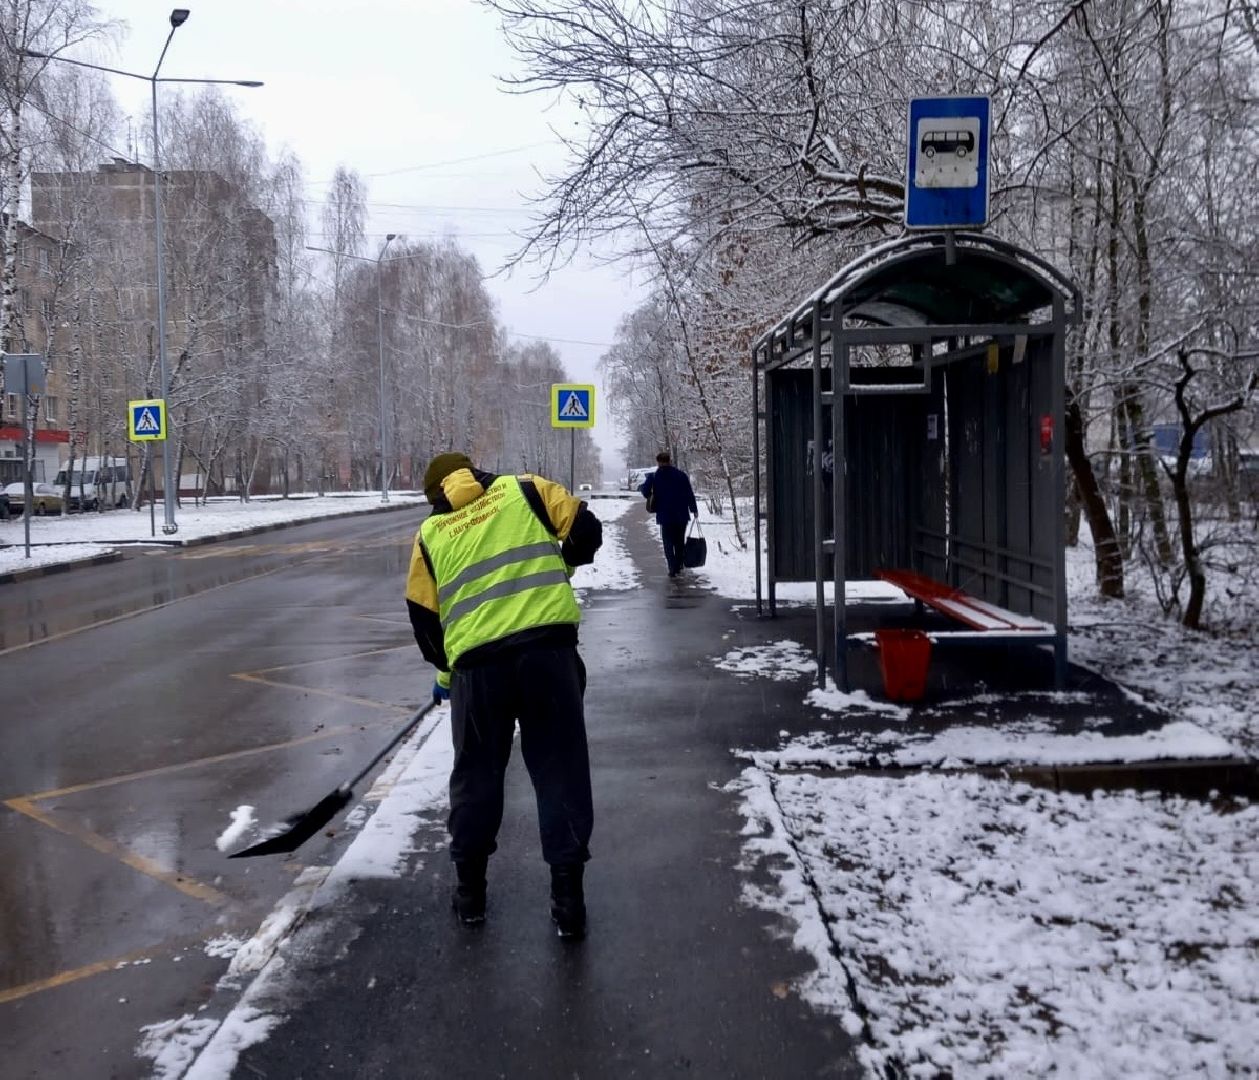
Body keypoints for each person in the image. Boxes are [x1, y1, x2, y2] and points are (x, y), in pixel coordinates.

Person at [405, 452, 603, 939]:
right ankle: (568, 901)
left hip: (478, 673)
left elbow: (425, 619)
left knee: (476, 778)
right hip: (547, 656)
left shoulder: (430, 535)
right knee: (560, 772)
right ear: (475, 472)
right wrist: (563, 565)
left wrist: (446, 672)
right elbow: (587, 531)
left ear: (436, 496)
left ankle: (470, 895)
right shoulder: (526, 489)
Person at [639, 451, 698, 577]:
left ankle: (672, 567)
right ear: (670, 460)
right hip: (681, 515)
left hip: (665, 516)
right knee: (679, 541)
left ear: (658, 462)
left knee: (668, 543)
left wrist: (650, 489)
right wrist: (694, 509)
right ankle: (678, 564)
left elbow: (644, 492)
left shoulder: (654, 476)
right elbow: (689, 493)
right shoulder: (681, 475)